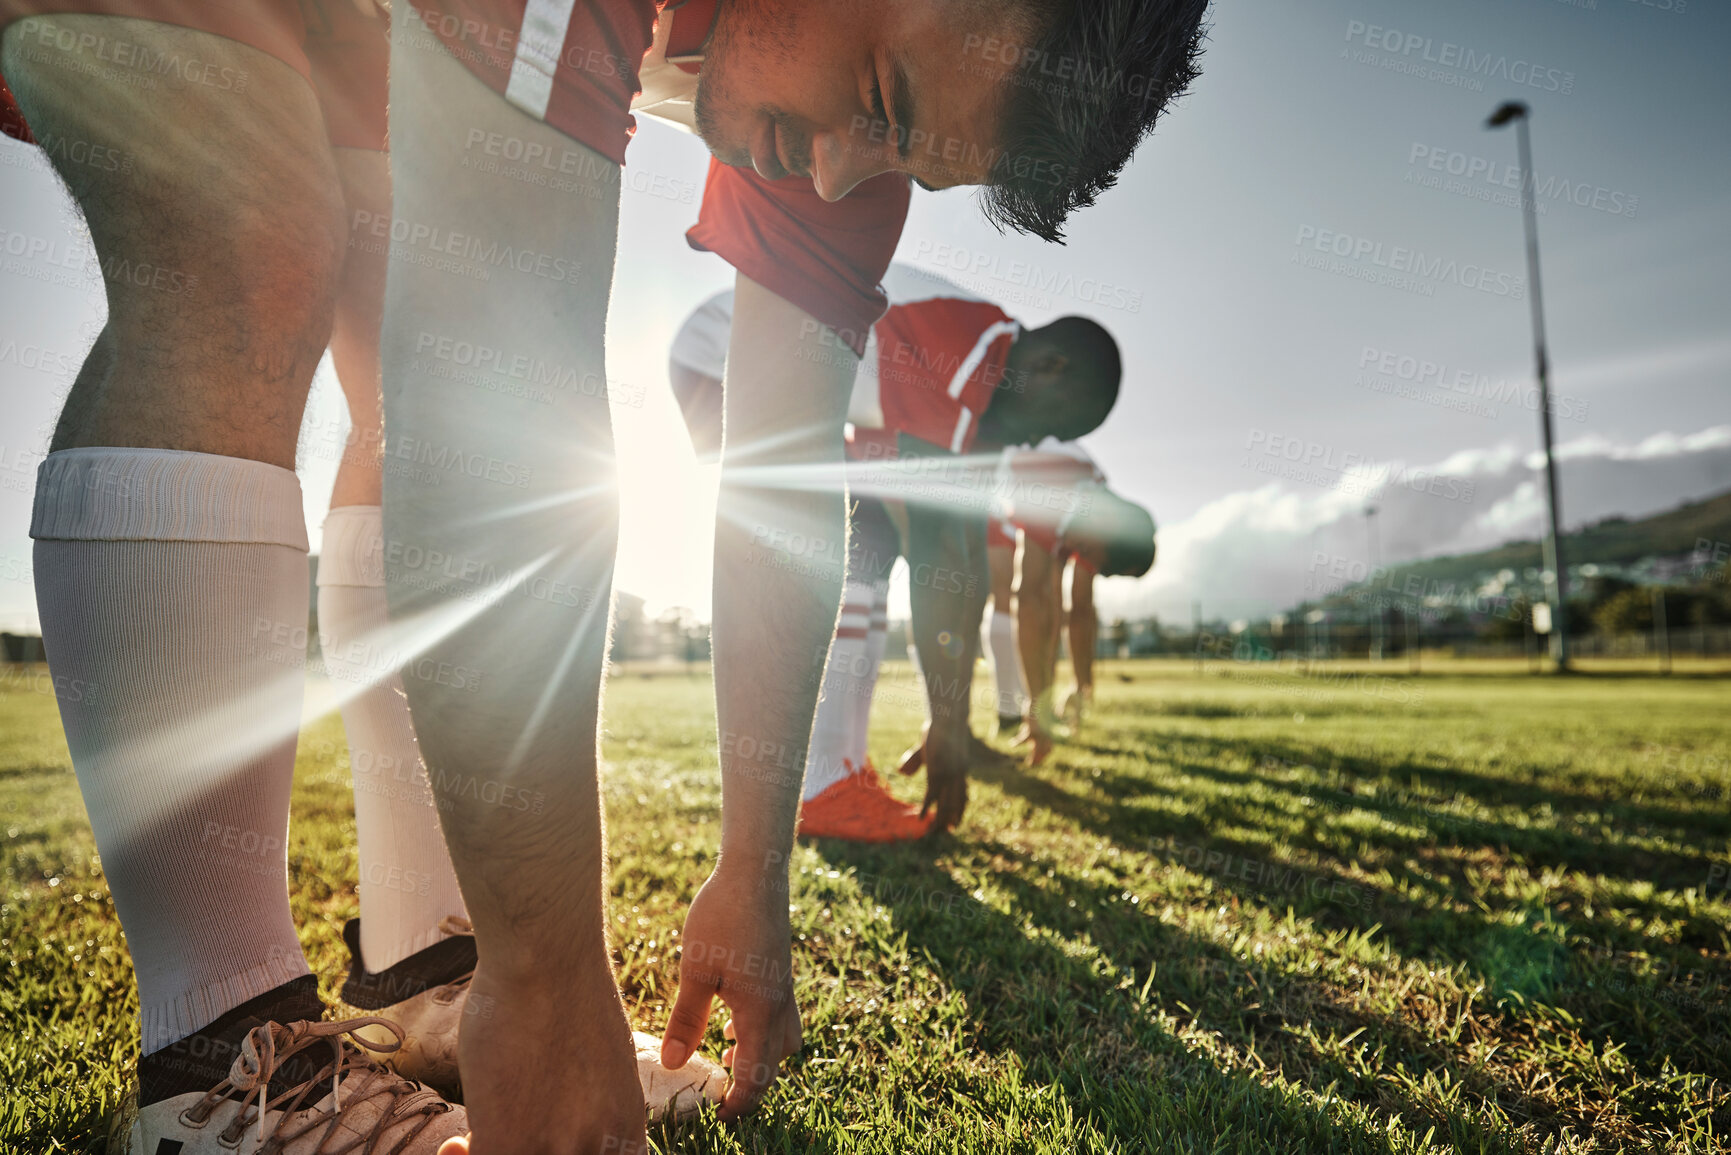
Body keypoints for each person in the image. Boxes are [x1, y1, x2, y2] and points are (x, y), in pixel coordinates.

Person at [2, 0, 1210, 1150]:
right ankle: (214, 1055)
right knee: (245, 235)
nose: (841, 171)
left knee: (390, 322)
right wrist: (550, 976)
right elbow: (495, 419)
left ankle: (425, 962)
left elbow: (779, 495)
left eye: (903, 159)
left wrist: (755, 871)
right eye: (879, 95)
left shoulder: (845, 146)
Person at [668, 263, 1122, 840]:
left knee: (870, 550)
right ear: (1049, 366)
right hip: (723, 359)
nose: (1034, 441)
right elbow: (937, 555)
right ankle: (821, 782)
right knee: (823, 552)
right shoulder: (964, 349)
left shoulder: (984, 378)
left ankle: (841, 775)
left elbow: (968, 563)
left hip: (816, 393)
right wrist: (950, 727)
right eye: (1051, 423)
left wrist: (949, 717)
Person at [994, 440, 1157, 764]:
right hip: (968, 461)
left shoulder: (1095, 511)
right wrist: (1037, 706)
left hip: (1015, 478)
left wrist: (1079, 687)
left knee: (1048, 602)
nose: (1086, 562)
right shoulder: (1054, 488)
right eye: (1095, 558)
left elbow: (1072, 610)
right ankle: (1001, 713)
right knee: (1004, 593)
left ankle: (1036, 707)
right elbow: (1028, 599)